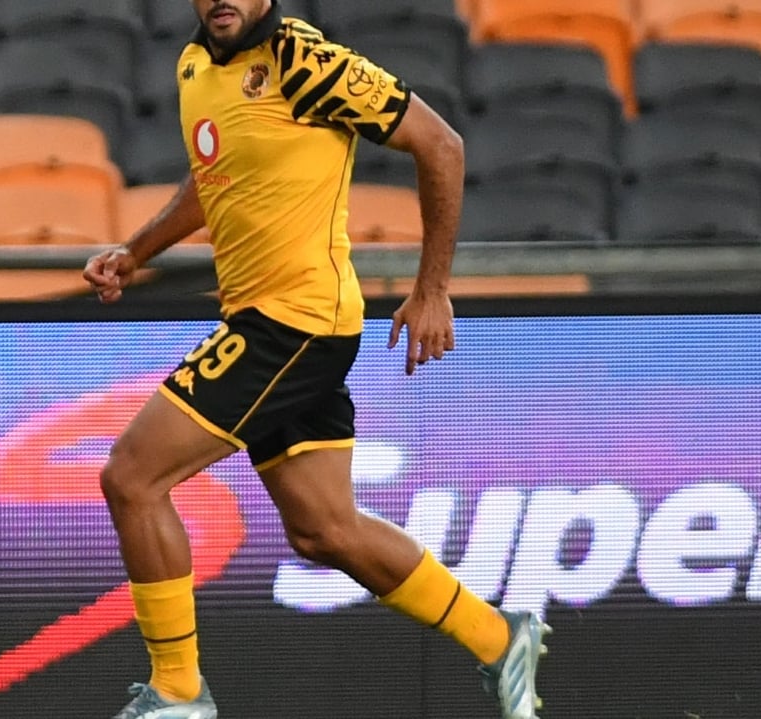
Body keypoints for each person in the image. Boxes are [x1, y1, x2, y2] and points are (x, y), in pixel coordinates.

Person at [83, 1, 550, 717]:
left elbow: (441, 144)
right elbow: (214, 178)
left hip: (294, 323)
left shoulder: (308, 63)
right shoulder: (195, 65)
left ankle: (178, 693)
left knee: (132, 476)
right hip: (271, 323)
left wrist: (432, 290)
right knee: (325, 528)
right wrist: (137, 251)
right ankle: (496, 635)